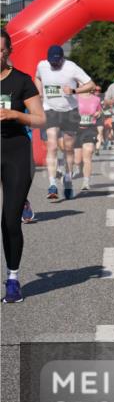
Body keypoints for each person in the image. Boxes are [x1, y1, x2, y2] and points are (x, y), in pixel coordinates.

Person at [1, 29, 46, 303]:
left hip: (16, 153)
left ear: (8, 51)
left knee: (9, 220)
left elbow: (40, 119)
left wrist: (16, 114)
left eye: (0, 49)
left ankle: (13, 279)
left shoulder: (21, 81)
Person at [34, 44, 95, 200]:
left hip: (70, 111)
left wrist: (74, 91)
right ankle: (52, 184)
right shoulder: (42, 65)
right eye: (52, 61)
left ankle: (68, 178)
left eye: (57, 61)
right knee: (52, 145)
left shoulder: (71, 67)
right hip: (50, 109)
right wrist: (40, 93)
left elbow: (91, 84)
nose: (54, 64)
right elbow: (37, 77)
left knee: (68, 148)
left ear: (62, 58)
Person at [72, 87, 102, 191]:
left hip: (90, 128)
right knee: (77, 159)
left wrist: (99, 113)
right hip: (76, 129)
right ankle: (79, 168)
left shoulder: (96, 99)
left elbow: (99, 111)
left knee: (88, 154)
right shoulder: (74, 97)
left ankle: (86, 182)